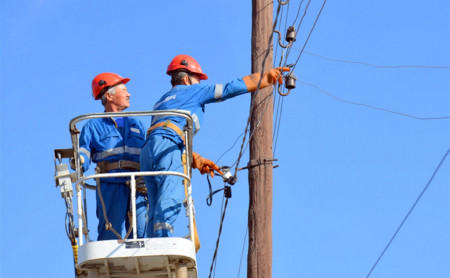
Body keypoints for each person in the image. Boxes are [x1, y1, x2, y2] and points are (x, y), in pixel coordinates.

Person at [140, 54, 289, 237]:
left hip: (148, 152)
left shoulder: (162, 101)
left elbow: (163, 137)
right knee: (171, 193)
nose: (199, 83)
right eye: (197, 79)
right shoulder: (192, 91)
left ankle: (152, 241)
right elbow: (228, 89)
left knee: (155, 200)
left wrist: (195, 159)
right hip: (168, 146)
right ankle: (162, 240)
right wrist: (265, 78)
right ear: (186, 78)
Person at [76, 72, 148, 240]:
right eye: (124, 90)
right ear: (109, 96)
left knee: (142, 233)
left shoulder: (137, 124)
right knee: (109, 232)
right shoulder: (93, 125)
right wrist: (79, 161)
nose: (129, 94)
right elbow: (83, 152)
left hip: (138, 183)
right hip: (110, 183)